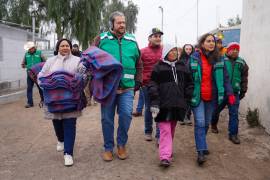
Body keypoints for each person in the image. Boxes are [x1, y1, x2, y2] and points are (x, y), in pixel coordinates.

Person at [92, 11, 142, 161]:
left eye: (124, 22)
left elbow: (139, 63)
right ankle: (108, 147)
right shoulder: (101, 39)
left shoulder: (132, 40)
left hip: (127, 87)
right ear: (112, 24)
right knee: (107, 118)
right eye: (119, 22)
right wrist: (95, 82)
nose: (122, 25)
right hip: (108, 88)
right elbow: (91, 60)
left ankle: (121, 144)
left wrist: (138, 80)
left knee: (126, 115)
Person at [38, 39, 86, 166]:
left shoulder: (78, 61)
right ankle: (60, 139)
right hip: (54, 101)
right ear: (58, 48)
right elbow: (41, 75)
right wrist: (45, 85)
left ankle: (68, 153)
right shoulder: (50, 61)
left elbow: (84, 76)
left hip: (72, 100)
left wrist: (80, 80)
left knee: (70, 124)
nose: (65, 47)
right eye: (62, 45)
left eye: (67, 45)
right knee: (57, 123)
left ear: (70, 47)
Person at [189, 33, 234, 166]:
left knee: (207, 122)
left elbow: (226, 78)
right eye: (208, 41)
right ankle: (201, 151)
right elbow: (187, 77)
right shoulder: (194, 58)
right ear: (202, 43)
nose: (211, 43)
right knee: (200, 122)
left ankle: (202, 143)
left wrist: (230, 93)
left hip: (213, 97)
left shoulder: (220, 59)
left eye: (213, 41)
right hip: (198, 96)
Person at [148, 44, 194, 167]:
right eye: (171, 51)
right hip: (162, 104)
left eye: (175, 50)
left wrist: (187, 97)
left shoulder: (182, 66)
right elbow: (152, 85)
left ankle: (167, 150)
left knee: (172, 129)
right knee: (165, 131)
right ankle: (165, 156)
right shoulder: (158, 67)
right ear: (166, 53)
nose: (173, 53)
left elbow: (189, 83)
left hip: (177, 104)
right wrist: (154, 101)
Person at [211, 42, 249, 144]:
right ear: (228, 50)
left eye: (237, 49)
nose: (235, 51)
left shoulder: (242, 62)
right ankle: (213, 124)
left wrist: (243, 90)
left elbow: (244, 78)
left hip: (234, 93)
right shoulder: (220, 60)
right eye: (233, 49)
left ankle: (233, 134)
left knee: (234, 113)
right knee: (216, 110)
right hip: (222, 92)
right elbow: (214, 76)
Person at [140, 28, 164, 142]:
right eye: (155, 36)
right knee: (149, 108)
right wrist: (140, 81)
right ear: (149, 38)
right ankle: (148, 131)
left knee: (160, 108)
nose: (158, 38)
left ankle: (159, 134)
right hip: (147, 85)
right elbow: (138, 67)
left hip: (162, 84)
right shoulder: (142, 51)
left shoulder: (164, 50)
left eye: (159, 36)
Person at [21, 41, 46, 108]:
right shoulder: (26, 54)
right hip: (29, 74)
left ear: (34, 48)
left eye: (30, 48)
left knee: (40, 88)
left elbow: (45, 63)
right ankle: (30, 103)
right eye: (28, 49)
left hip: (38, 74)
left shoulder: (39, 53)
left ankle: (43, 101)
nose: (30, 50)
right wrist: (24, 65)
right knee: (29, 88)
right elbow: (23, 64)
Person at [179, 44, 194, 125]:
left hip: (191, 82)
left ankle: (187, 116)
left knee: (189, 100)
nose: (188, 51)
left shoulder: (194, 59)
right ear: (184, 50)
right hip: (183, 83)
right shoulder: (181, 60)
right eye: (187, 49)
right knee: (183, 100)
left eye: (190, 49)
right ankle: (182, 117)